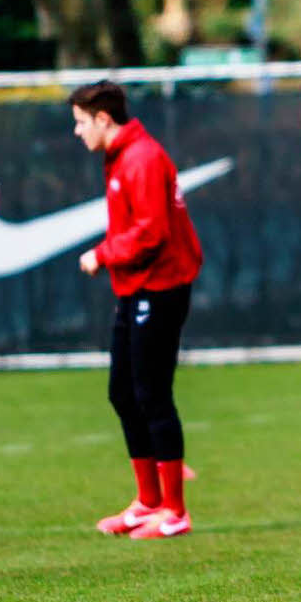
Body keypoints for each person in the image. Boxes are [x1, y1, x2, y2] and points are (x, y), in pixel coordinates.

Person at [70, 80, 202, 539]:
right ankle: (148, 502)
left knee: (151, 395)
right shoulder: (122, 155)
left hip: (161, 287)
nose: (77, 132)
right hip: (137, 288)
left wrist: (101, 254)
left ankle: (175, 512)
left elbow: (151, 234)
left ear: (104, 119)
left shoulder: (142, 158)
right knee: (122, 393)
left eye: (81, 122)